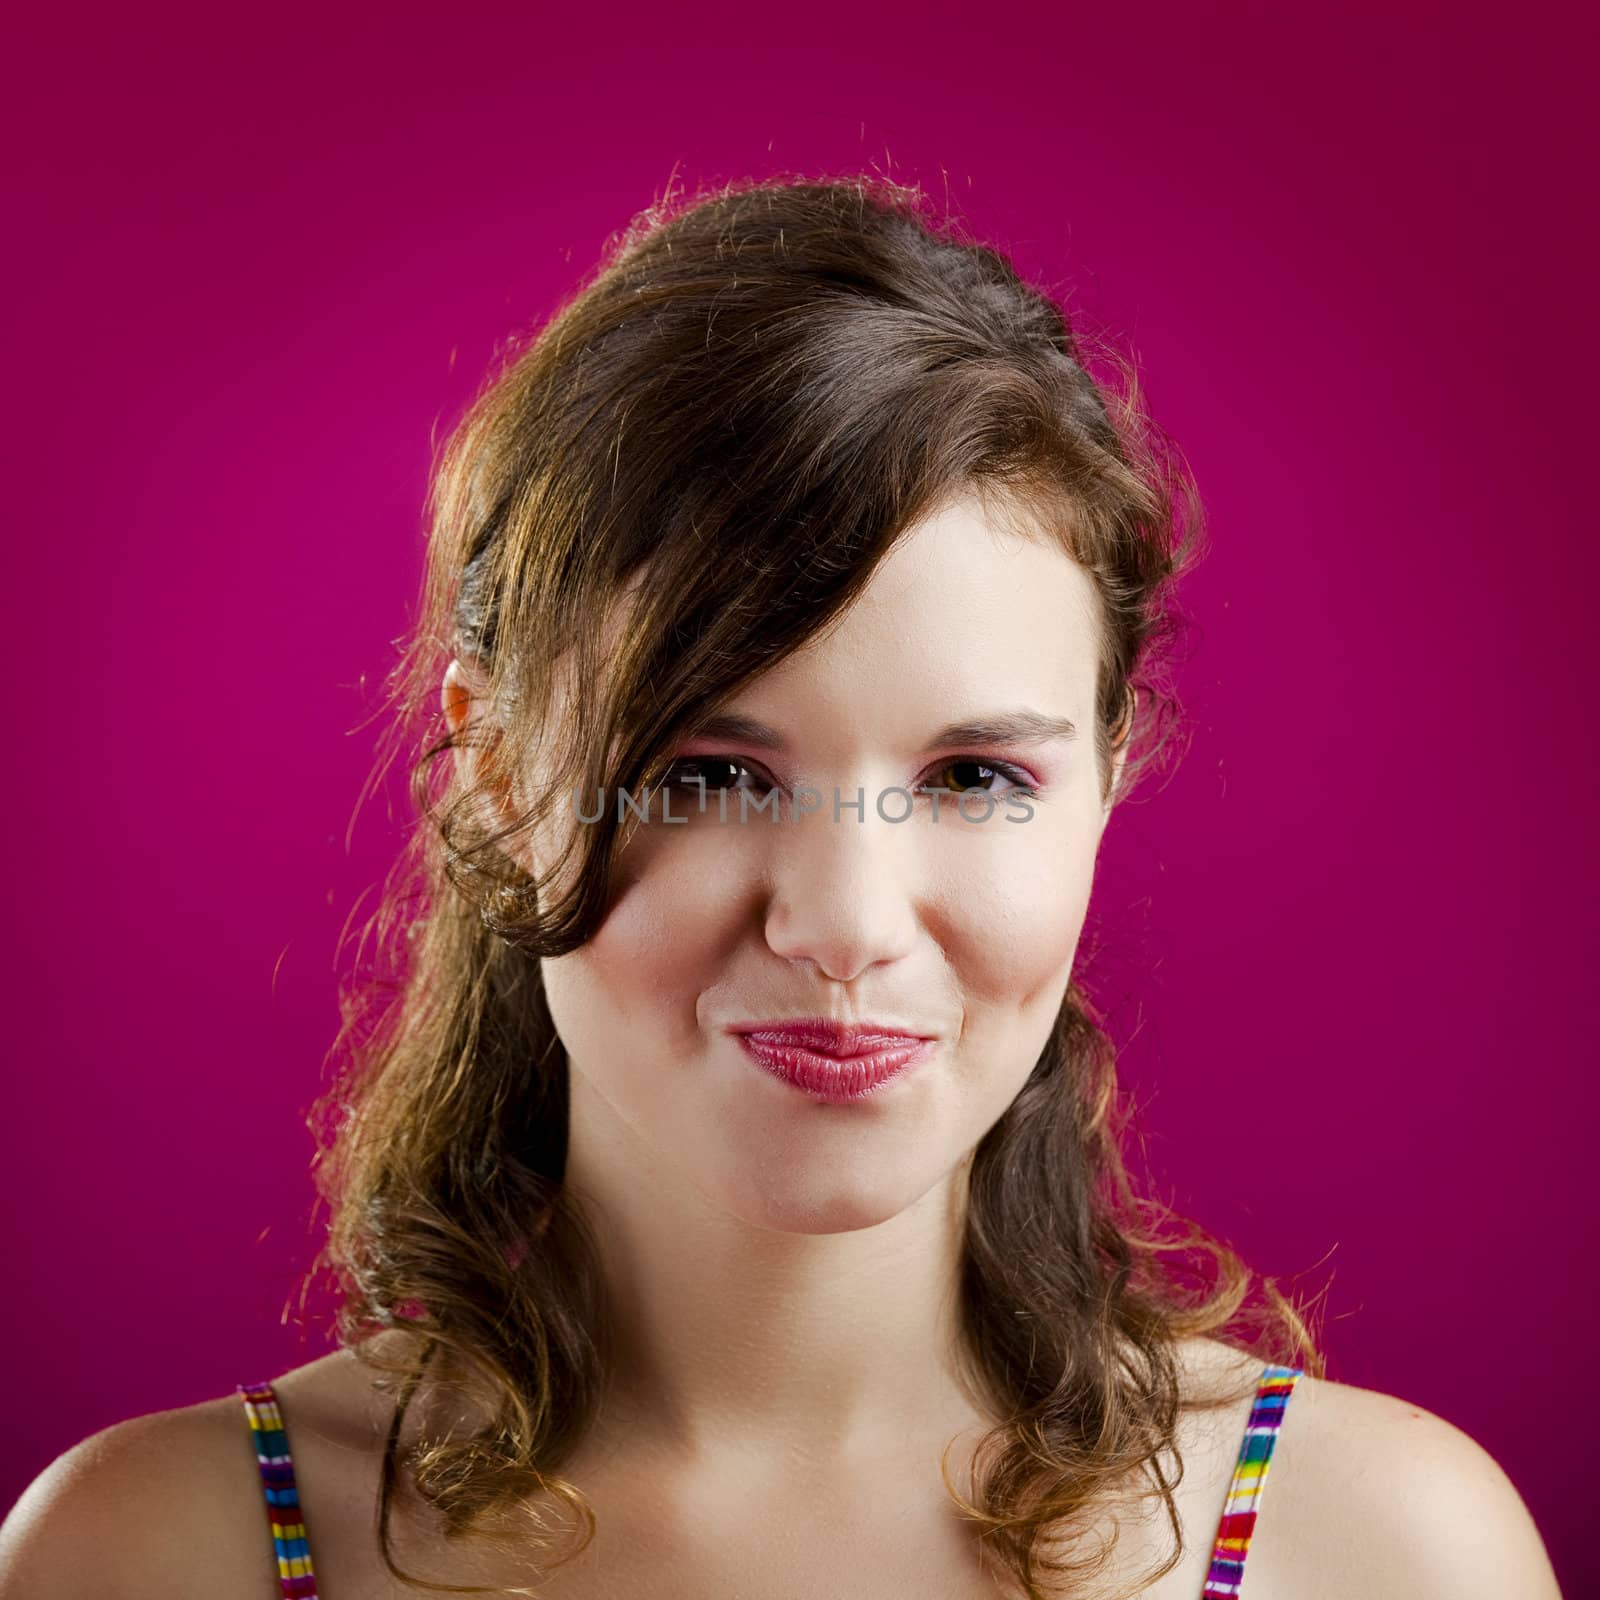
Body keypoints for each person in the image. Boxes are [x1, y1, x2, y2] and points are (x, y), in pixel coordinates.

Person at [0, 174, 1562, 1600]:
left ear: (1107, 780)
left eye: (973, 779)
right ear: (487, 767)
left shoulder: (1376, 1551)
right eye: (708, 775)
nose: (846, 924)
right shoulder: (149, 1555)